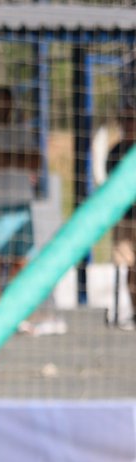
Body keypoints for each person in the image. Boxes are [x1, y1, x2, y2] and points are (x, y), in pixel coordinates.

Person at [0, 86, 42, 306]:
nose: (2, 107)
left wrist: (7, 158)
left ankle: (13, 307)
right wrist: (19, 158)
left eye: (6, 102)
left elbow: (36, 161)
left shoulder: (21, 130)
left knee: (20, 260)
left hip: (21, 204)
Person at [105, 108, 136, 330]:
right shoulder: (116, 152)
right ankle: (134, 312)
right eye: (125, 120)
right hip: (126, 219)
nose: (129, 124)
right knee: (128, 267)